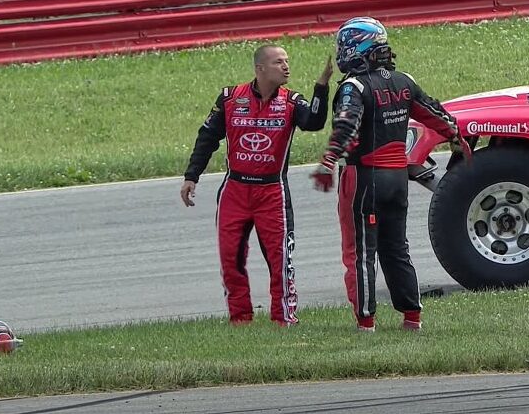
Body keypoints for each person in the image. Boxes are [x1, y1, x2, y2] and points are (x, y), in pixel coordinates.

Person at [310, 17, 472, 332]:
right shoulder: (404, 80)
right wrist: (458, 142)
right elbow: (439, 116)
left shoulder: (352, 86)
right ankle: (412, 318)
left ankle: (366, 322)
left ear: (356, 47)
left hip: (363, 178)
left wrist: (328, 161)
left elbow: (347, 126)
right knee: (397, 248)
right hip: (398, 179)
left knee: (359, 252)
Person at [181, 45, 333, 326]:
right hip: (235, 190)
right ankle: (240, 320)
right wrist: (192, 176)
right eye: (279, 62)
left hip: (272, 192)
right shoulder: (229, 98)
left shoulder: (291, 101)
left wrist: (321, 87)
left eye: (287, 61)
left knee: (280, 261)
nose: (286, 67)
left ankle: (284, 320)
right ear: (260, 68)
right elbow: (207, 138)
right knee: (231, 259)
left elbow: (314, 122)